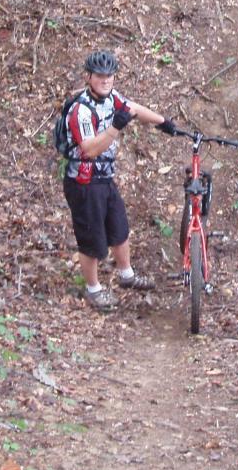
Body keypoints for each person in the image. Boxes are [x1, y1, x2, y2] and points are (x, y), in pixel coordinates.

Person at [62, 49, 176, 312]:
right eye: (100, 75)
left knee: (119, 227)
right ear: (89, 77)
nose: (105, 80)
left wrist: (164, 123)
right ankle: (93, 290)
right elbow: (89, 149)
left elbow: (133, 109)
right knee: (91, 238)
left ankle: (126, 276)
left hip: (104, 178)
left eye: (110, 76)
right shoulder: (80, 109)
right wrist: (115, 127)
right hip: (83, 181)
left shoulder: (110, 99)